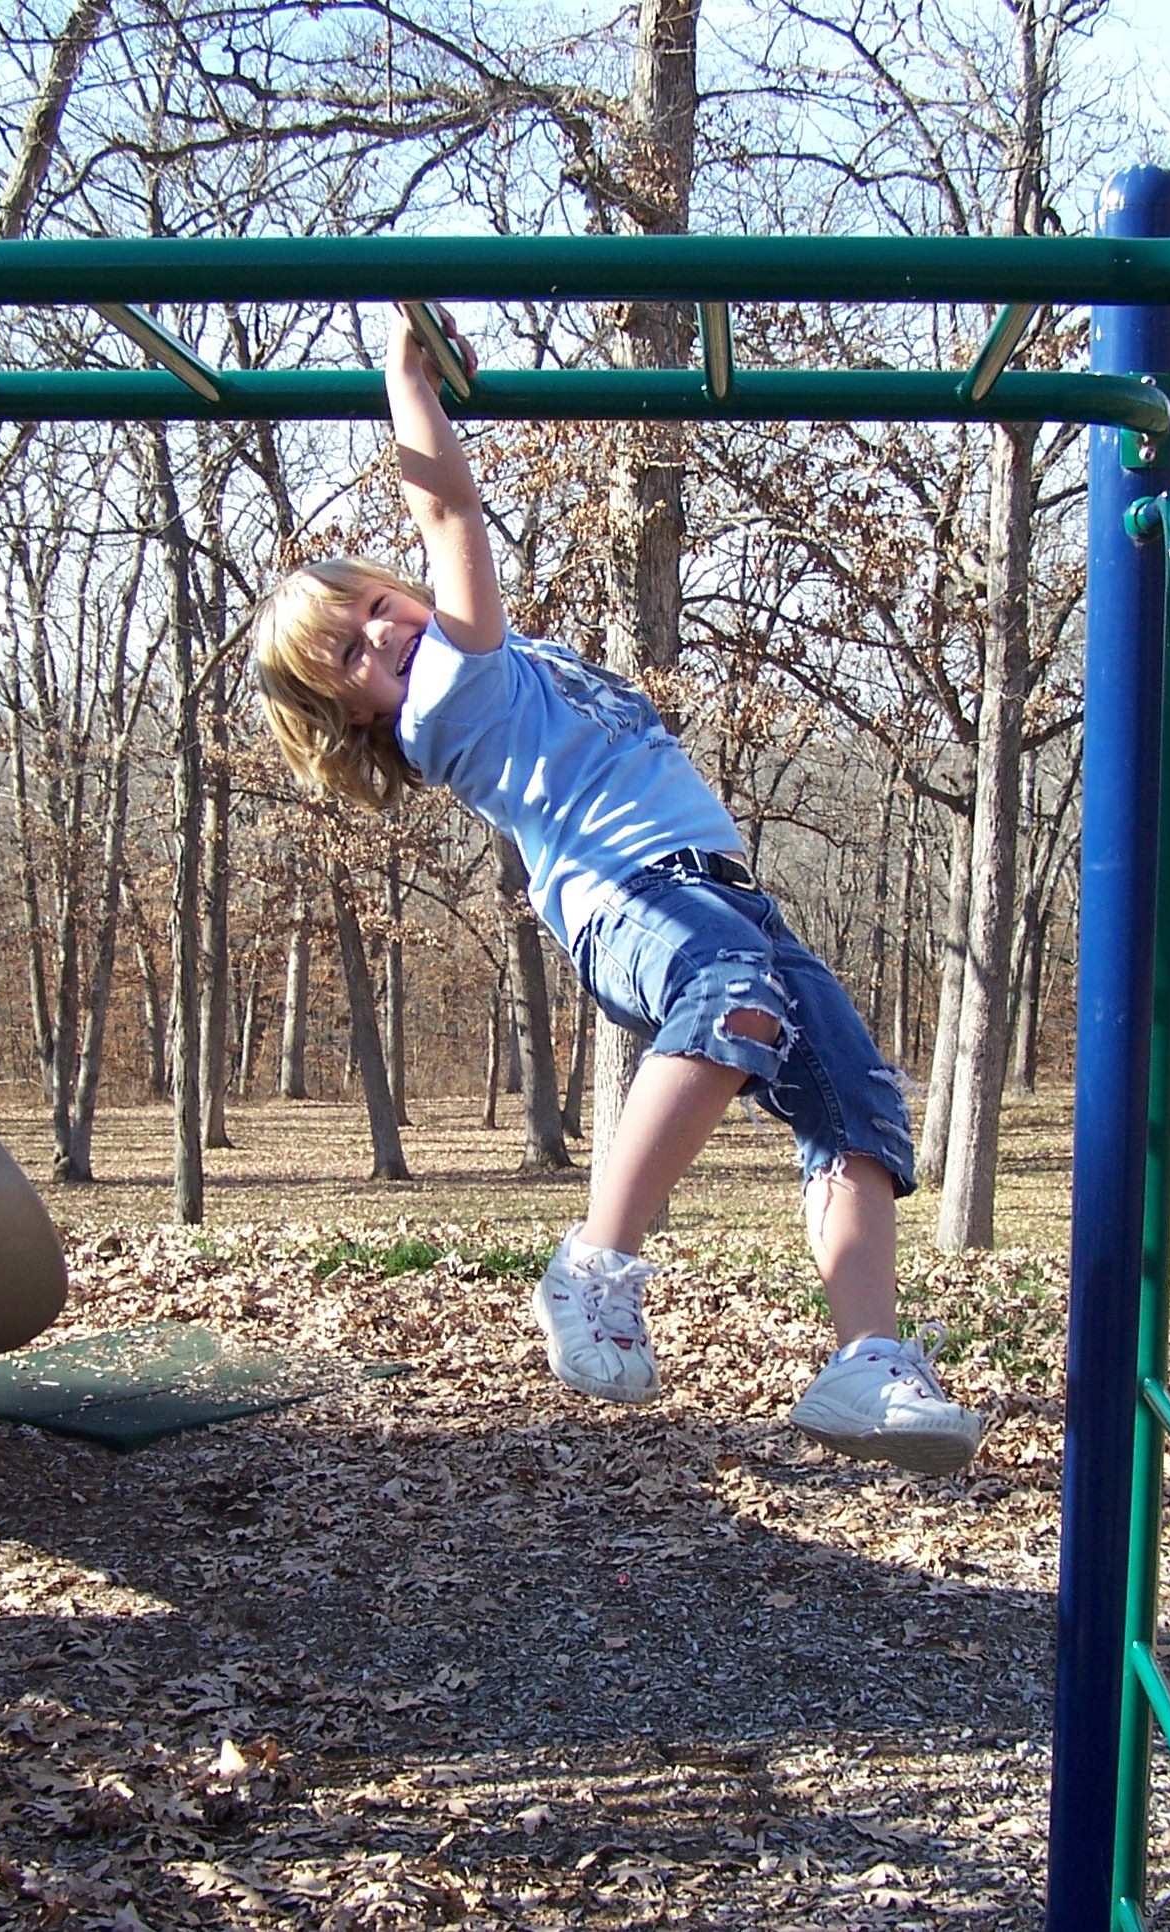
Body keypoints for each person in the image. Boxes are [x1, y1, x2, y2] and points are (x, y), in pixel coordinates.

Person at [249, 305, 980, 1475]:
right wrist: (405, 379)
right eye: (344, 656)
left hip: (721, 896)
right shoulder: (451, 697)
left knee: (857, 1110)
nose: (377, 638)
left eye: (372, 609)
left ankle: (867, 1364)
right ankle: (592, 1263)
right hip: (627, 896)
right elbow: (448, 510)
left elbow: (439, 552)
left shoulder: (489, 655)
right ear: (353, 713)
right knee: (736, 998)